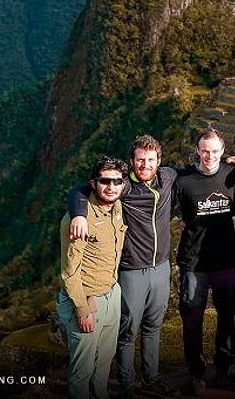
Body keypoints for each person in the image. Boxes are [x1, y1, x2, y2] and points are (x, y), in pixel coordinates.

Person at [65, 135, 178, 399]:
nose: (145, 164)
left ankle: (151, 379)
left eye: (151, 160)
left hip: (161, 268)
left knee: (153, 328)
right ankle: (127, 386)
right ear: (132, 161)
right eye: (140, 160)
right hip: (131, 272)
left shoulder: (168, 177)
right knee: (128, 331)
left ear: (159, 161)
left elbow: (201, 172)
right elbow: (80, 191)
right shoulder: (123, 187)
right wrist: (79, 214)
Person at [174, 128, 235, 394]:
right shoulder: (183, 180)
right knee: (192, 320)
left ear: (223, 152)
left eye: (215, 151)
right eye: (205, 150)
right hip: (193, 263)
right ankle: (197, 372)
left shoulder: (231, 176)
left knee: (227, 317)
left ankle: (224, 366)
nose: (209, 156)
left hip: (225, 261)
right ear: (198, 150)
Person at [58, 157, 128, 399]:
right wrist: (81, 307)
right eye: (104, 181)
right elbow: (69, 271)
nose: (111, 187)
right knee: (82, 370)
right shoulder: (79, 220)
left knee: (104, 363)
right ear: (93, 183)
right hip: (87, 299)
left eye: (117, 181)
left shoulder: (116, 207)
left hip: (112, 292)